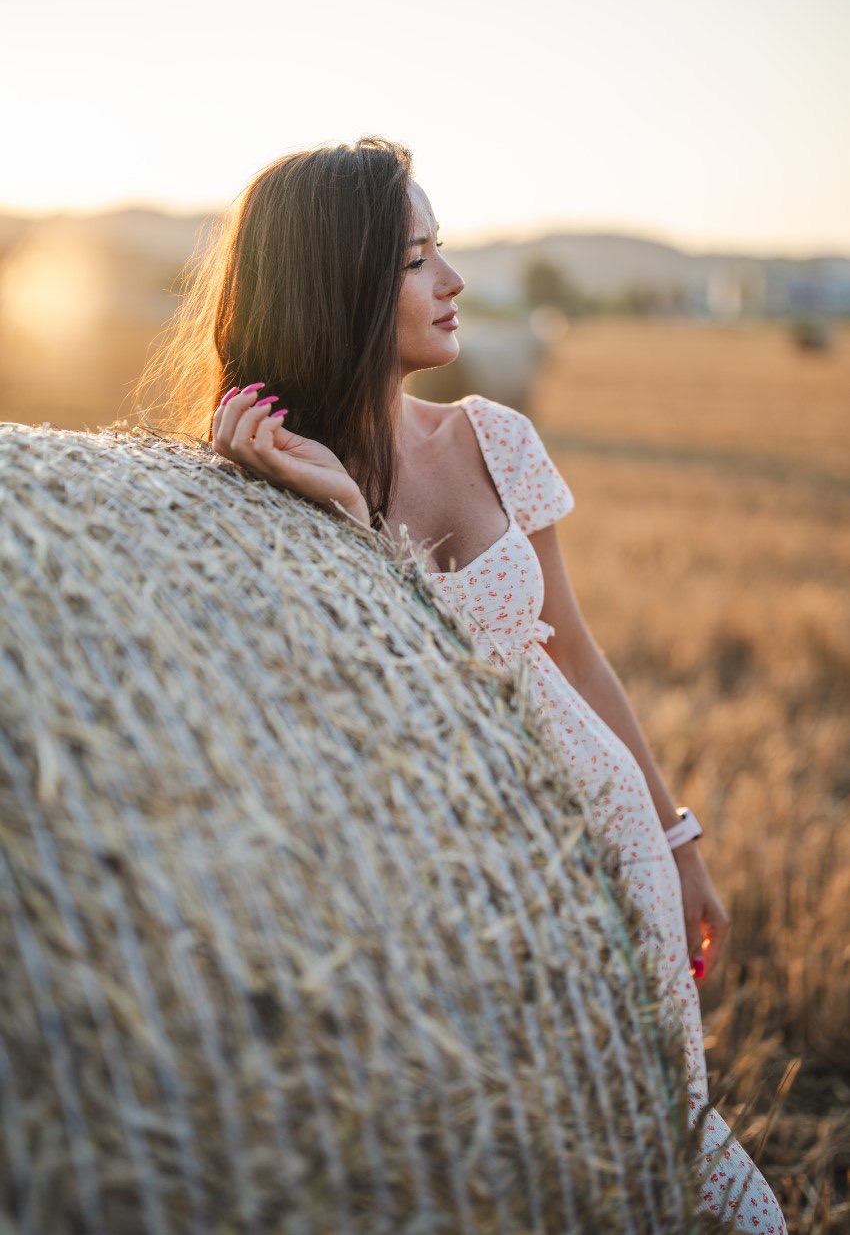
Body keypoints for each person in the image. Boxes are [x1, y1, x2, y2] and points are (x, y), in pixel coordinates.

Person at [147, 136, 786, 1231]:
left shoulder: (494, 437)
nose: (453, 283)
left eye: (443, 249)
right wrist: (343, 523)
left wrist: (676, 838)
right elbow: (359, 716)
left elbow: (575, 653)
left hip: (612, 840)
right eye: (414, 260)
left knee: (666, 1129)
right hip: (466, 898)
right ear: (334, 285)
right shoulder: (266, 504)